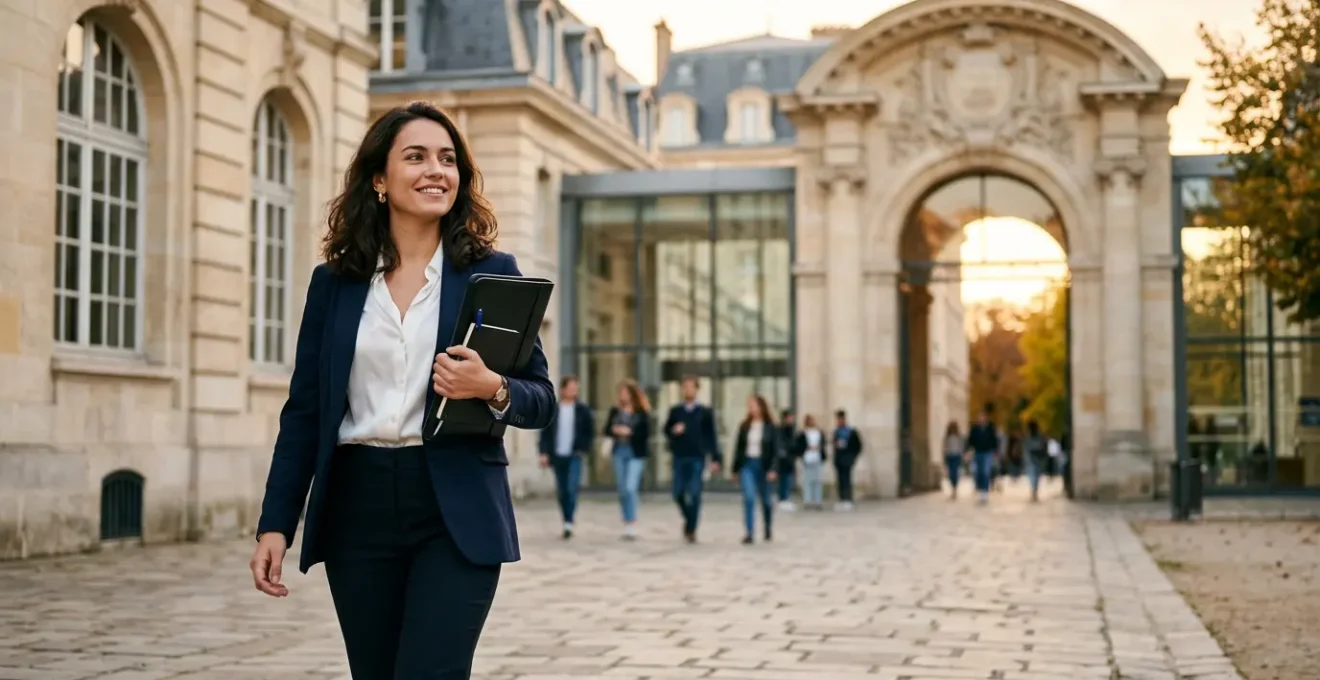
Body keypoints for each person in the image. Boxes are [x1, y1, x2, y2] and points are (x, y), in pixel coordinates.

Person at [248, 101, 555, 680]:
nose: (436, 170)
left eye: (447, 159)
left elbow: (540, 399)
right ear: (379, 180)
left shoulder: (492, 274)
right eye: (415, 157)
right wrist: (276, 523)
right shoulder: (335, 284)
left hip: (453, 510)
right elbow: (306, 411)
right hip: (356, 507)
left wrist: (491, 386)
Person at [663, 376, 721, 543]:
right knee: (678, 492)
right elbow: (666, 430)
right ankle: (689, 519)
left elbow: (711, 436)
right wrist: (674, 430)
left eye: (691, 387)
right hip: (680, 456)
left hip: (697, 456)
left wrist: (715, 457)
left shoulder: (704, 412)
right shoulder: (676, 411)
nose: (688, 390)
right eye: (685, 387)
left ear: (697, 389)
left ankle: (692, 528)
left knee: (695, 492)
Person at [537, 375, 594, 539]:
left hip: (574, 454)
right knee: (562, 490)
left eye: (576, 388)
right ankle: (566, 518)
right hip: (557, 455)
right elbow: (545, 433)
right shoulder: (553, 410)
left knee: (571, 487)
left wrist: (584, 448)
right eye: (571, 388)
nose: (573, 391)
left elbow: (589, 432)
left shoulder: (583, 410)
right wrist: (543, 452)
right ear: (563, 389)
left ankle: (569, 521)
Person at [602, 379, 651, 540]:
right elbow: (606, 430)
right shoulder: (615, 411)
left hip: (635, 453)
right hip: (619, 452)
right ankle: (626, 520)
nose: (622, 395)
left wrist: (630, 432)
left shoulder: (641, 412)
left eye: (625, 392)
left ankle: (631, 521)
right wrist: (615, 430)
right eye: (620, 392)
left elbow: (645, 434)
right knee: (622, 489)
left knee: (630, 487)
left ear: (632, 394)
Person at [731, 395, 779, 544]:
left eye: (754, 405)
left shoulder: (771, 427)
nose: (751, 408)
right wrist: (735, 470)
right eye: (749, 405)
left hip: (764, 465)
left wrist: (773, 469)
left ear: (761, 407)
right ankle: (749, 532)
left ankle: (767, 528)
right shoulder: (744, 426)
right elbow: (738, 449)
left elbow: (776, 451)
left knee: (766, 501)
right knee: (749, 497)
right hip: (748, 464)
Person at [831, 409, 862, 511]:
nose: (840, 421)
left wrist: (853, 457)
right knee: (840, 480)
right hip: (839, 459)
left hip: (848, 458)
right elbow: (834, 445)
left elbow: (858, 446)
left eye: (841, 419)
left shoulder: (851, 432)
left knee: (847, 479)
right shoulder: (836, 432)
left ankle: (848, 498)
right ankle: (841, 498)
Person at [966, 407, 999, 504]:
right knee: (978, 472)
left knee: (986, 471)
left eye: (983, 417)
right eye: (980, 417)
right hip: (978, 452)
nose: (981, 418)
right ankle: (981, 491)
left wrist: (995, 451)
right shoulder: (975, 429)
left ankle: (985, 492)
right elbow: (970, 441)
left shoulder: (990, 428)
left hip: (987, 452)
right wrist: (969, 451)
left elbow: (994, 440)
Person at [795, 414, 827, 509]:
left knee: (817, 480)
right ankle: (807, 500)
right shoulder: (803, 433)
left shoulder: (819, 432)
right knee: (807, 480)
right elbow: (799, 445)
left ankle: (818, 500)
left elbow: (823, 443)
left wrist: (819, 447)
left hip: (817, 457)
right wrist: (806, 448)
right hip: (807, 458)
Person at [775, 409, 799, 511]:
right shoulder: (781, 429)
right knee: (783, 479)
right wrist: (783, 453)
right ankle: (782, 499)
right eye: (790, 417)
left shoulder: (792, 429)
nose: (792, 419)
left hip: (790, 458)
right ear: (785, 418)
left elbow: (794, 443)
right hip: (783, 459)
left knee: (788, 479)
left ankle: (785, 498)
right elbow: (780, 443)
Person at [1022, 419, 1048, 502]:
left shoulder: (1028, 437)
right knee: (1036, 475)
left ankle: (1034, 490)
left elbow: (1026, 448)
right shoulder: (1040, 436)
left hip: (1032, 458)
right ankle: (1034, 490)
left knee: (1032, 475)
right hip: (1038, 458)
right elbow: (1044, 447)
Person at [942, 420, 964, 500]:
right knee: (951, 474)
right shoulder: (947, 436)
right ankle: (953, 488)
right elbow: (944, 447)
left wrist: (962, 455)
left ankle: (954, 489)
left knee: (954, 473)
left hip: (956, 456)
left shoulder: (959, 436)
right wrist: (944, 456)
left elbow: (961, 446)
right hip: (949, 456)